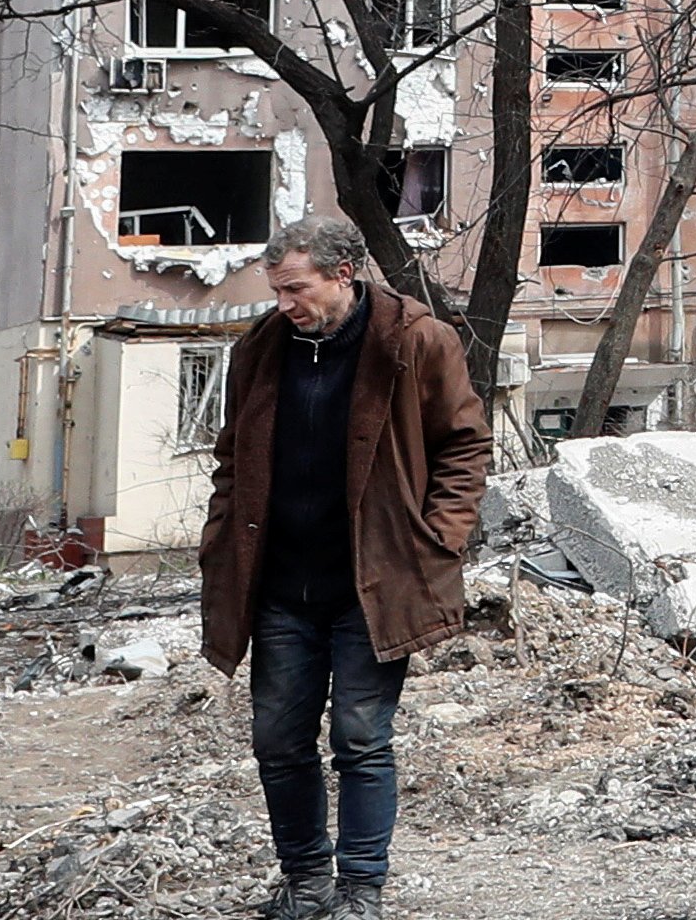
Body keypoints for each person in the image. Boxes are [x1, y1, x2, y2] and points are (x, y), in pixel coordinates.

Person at [202, 214, 488, 920]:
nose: (285, 305)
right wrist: (220, 540)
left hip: (373, 583)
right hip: (278, 586)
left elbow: (465, 448)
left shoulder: (416, 341)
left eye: (295, 289)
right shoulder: (262, 350)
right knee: (277, 739)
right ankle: (306, 884)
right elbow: (233, 458)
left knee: (361, 738)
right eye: (276, 291)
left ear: (343, 274)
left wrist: (437, 541)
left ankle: (361, 891)